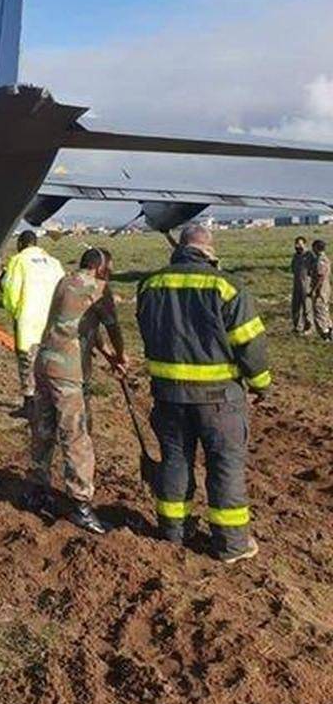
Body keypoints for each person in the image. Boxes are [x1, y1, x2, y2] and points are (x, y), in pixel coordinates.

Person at [136, 223, 270, 565]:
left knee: (175, 462)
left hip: (167, 398)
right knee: (224, 467)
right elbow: (250, 345)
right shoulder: (227, 287)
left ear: (181, 248)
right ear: (209, 251)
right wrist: (260, 384)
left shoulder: (150, 285)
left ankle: (172, 534)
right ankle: (231, 545)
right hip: (219, 401)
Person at [29, 248, 126, 534]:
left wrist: (107, 355)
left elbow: (82, 325)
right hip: (68, 374)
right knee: (76, 437)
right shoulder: (98, 288)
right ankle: (81, 505)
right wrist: (120, 356)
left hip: (44, 365)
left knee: (43, 430)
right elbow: (113, 326)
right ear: (99, 267)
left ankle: (37, 490)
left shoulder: (65, 282)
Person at [2, 230, 64, 418]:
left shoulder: (19, 261)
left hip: (29, 322)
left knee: (27, 364)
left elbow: (11, 291)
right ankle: (53, 404)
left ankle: (29, 404)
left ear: (21, 244)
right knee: (51, 364)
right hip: (52, 323)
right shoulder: (54, 263)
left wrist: (15, 312)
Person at [290, 236, 314, 335]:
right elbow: (293, 268)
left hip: (307, 284)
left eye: (300, 244)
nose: (297, 246)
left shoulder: (309, 255)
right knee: (295, 306)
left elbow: (314, 270)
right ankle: (297, 327)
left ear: (304, 244)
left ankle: (309, 327)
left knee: (307, 306)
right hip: (296, 284)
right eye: (296, 244)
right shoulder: (295, 256)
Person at [310, 239, 331, 341]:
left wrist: (314, 290)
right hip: (326, 289)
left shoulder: (320, 260)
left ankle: (325, 335)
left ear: (316, 248)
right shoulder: (325, 258)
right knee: (325, 311)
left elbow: (320, 277)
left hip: (320, 290)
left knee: (319, 312)